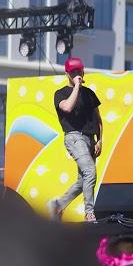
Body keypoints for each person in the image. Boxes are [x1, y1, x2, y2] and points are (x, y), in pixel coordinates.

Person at [48, 57, 103, 222]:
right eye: (73, 72)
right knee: (90, 172)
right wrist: (77, 86)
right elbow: (67, 107)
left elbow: (98, 118)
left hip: (90, 138)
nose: (77, 74)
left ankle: (57, 205)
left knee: (83, 180)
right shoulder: (60, 93)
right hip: (74, 137)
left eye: (79, 70)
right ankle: (89, 213)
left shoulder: (90, 94)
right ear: (67, 74)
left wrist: (99, 140)